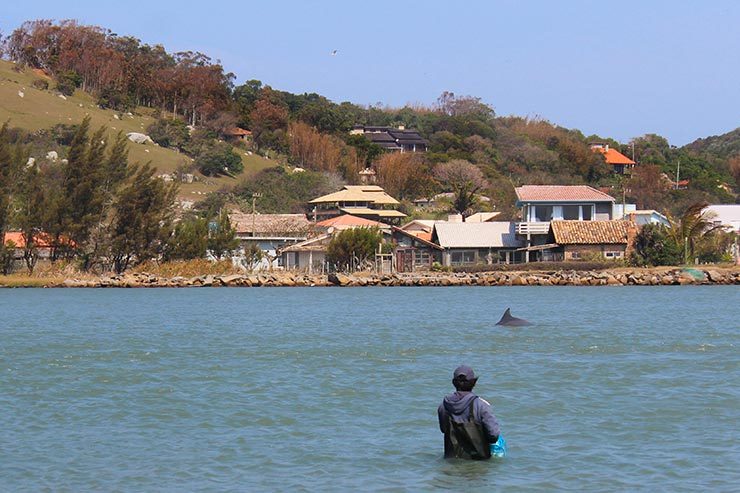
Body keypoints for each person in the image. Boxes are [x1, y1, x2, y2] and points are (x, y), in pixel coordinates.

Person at [438, 365, 503, 459]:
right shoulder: (482, 405)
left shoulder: (443, 406)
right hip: (477, 464)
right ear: (473, 383)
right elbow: (493, 435)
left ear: (454, 383)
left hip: (452, 462)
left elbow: (443, 429)